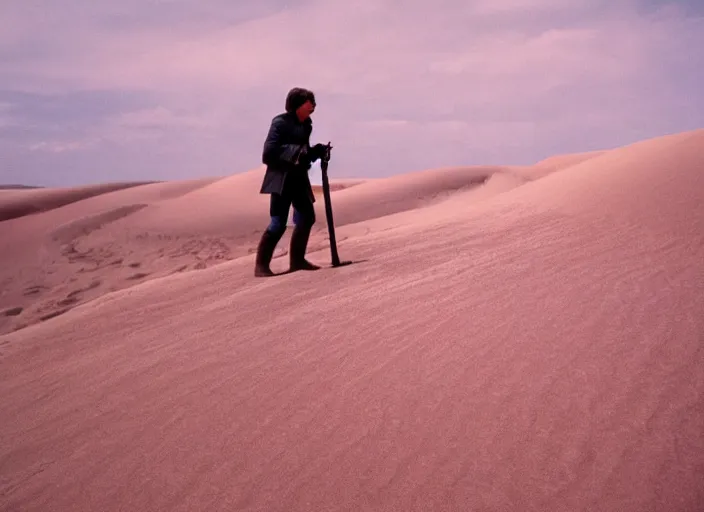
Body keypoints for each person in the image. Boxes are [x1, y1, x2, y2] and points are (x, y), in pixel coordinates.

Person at [254, 87, 329, 277]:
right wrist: (297, 152)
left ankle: (297, 260)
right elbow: (268, 154)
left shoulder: (307, 125)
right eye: (309, 101)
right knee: (278, 223)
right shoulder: (280, 123)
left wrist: (316, 152)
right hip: (281, 179)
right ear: (297, 104)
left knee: (306, 218)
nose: (313, 105)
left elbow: (304, 155)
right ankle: (261, 267)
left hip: (299, 179)